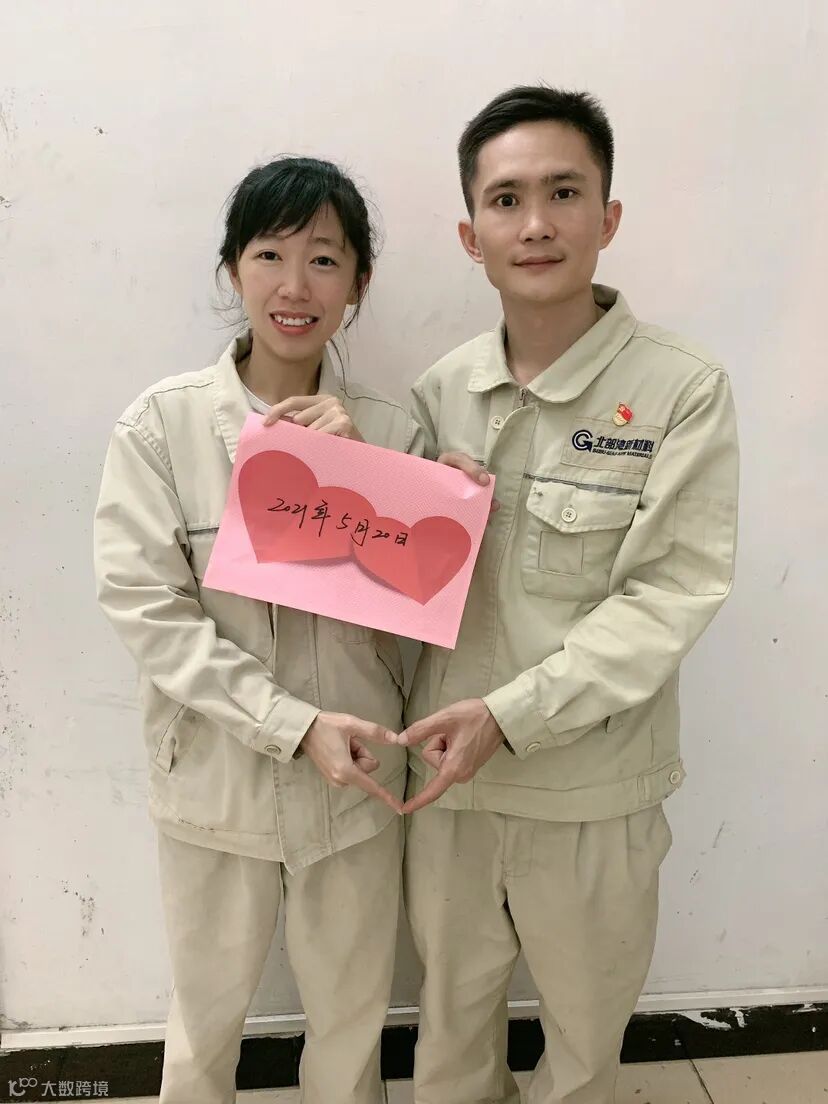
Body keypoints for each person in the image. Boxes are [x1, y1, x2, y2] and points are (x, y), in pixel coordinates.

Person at [395, 86, 740, 1103]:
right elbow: (397, 589)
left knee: (584, 1047)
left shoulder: (681, 388)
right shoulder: (440, 391)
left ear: (608, 215)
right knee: (450, 1037)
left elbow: (672, 593)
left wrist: (511, 714)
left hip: (593, 788)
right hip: (450, 787)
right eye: (506, 200)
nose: (536, 224)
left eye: (564, 192)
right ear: (471, 235)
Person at [94, 156, 421, 1104]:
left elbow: (424, 615)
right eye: (269, 254)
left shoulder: (393, 432)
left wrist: (367, 482)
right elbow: (149, 610)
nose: (294, 286)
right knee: (204, 1028)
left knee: (353, 1029)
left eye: (324, 259)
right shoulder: (161, 428)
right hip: (215, 782)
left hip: (358, 782)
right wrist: (292, 724)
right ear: (232, 269)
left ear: (359, 283)